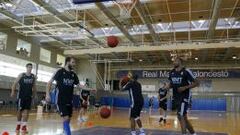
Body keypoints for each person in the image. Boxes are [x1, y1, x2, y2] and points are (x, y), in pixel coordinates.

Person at [46, 57, 80, 135]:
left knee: (68, 119)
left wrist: (90, 89)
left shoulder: (73, 74)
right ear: (68, 62)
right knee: (66, 117)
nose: (74, 64)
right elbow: (49, 83)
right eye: (73, 62)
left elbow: (79, 86)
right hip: (60, 99)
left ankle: (65, 131)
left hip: (69, 99)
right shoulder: (59, 71)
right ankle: (68, 133)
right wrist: (48, 94)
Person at [167, 57, 199, 135]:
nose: (173, 62)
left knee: (180, 115)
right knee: (184, 118)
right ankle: (194, 134)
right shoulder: (171, 72)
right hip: (176, 97)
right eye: (173, 61)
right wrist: (167, 87)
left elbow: (197, 83)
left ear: (179, 62)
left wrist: (185, 87)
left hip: (184, 97)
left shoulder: (186, 71)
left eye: (175, 61)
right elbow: (171, 84)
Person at [11, 63, 36, 134]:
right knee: (20, 110)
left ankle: (24, 126)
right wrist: (13, 91)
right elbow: (14, 83)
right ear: (26, 68)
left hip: (29, 96)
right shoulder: (21, 75)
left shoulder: (32, 77)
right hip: (21, 96)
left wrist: (34, 94)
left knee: (27, 111)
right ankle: (18, 125)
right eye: (29, 67)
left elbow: (34, 86)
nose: (30, 69)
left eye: (31, 67)